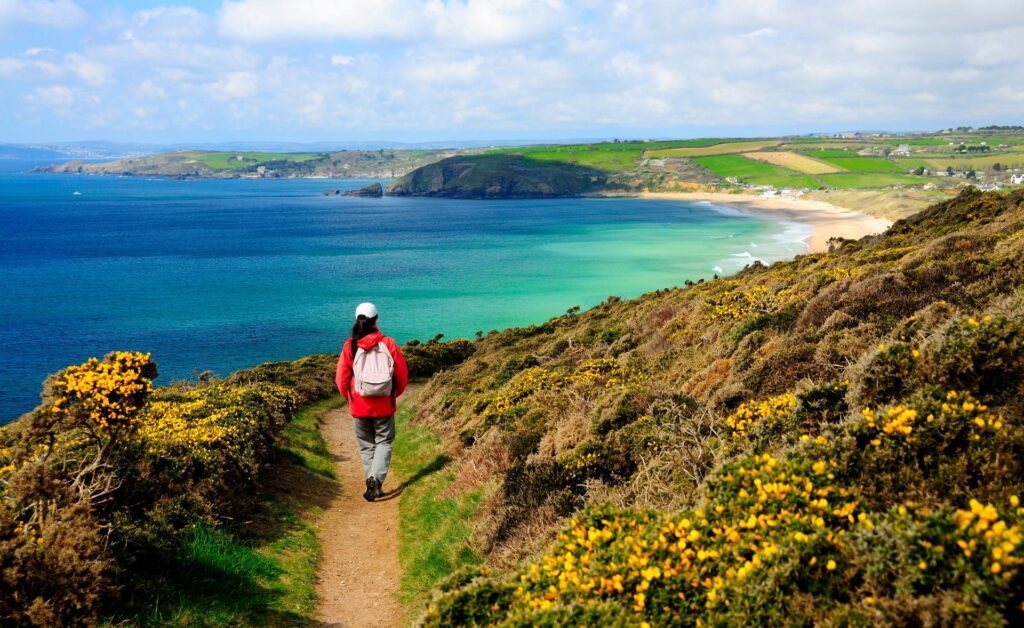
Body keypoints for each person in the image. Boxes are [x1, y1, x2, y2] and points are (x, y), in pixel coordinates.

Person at [335, 302, 408, 502]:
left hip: (358, 405)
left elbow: (341, 378)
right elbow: (402, 375)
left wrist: (349, 397)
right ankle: (376, 481)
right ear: (376, 319)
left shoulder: (350, 345)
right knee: (384, 442)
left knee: (367, 446)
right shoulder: (389, 343)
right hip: (384, 404)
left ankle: (372, 481)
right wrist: (393, 395)